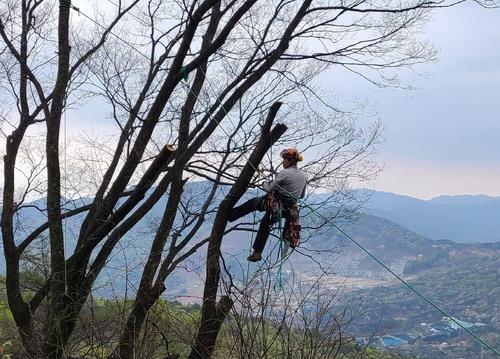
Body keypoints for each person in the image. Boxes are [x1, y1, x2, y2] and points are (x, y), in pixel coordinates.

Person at [228, 148, 307, 261]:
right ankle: (284, 240)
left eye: (284, 159)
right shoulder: (304, 176)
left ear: (289, 160)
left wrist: (264, 183)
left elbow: (269, 188)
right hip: (291, 209)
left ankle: (230, 216)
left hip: (277, 206)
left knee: (253, 204)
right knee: (266, 223)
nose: (282, 162)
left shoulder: (285, 173)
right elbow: (302, 195)